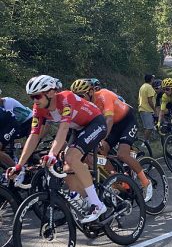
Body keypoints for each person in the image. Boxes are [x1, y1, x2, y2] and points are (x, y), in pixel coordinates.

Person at [9, 75, 108, 223]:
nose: (35, 101)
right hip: (78, 129)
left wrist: (51, 154)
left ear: (50, 93)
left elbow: (63, 129)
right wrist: (19, 165)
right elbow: (34, 136)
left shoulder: (66, 98)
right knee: (65, 167)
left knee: (71, 157)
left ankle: (98, 204)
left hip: (95, 123)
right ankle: (87, 197)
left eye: (37, 96)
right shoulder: (39, 108)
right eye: (31, 98)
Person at [70, 79, 153, 202]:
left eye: (81, 95)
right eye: (76, 97)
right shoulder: (83, 106)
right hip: (112, 127)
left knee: (122, 154)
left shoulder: (104, 95)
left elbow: (109, 119)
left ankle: (146, 182)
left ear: (91, 91)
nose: (79, 99)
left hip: (126, 122)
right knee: (98, 153)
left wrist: (100, 138)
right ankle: (116, 178)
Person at [0, 91, 33, 166]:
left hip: (30, 121)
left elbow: (10, 121)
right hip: (20, 124)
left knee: (30, 149)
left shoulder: (8, 102)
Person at [138, 74, 157, 141]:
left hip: (142, 108)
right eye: (153, 79)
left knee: (147, 127)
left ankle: (146, 141)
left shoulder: (142, 86)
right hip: (147, 109)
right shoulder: (149, 87)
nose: (154, 80)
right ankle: (145, 142)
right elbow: (150, 100)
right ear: (151, 79)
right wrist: (154, 110)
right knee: (149, 127)